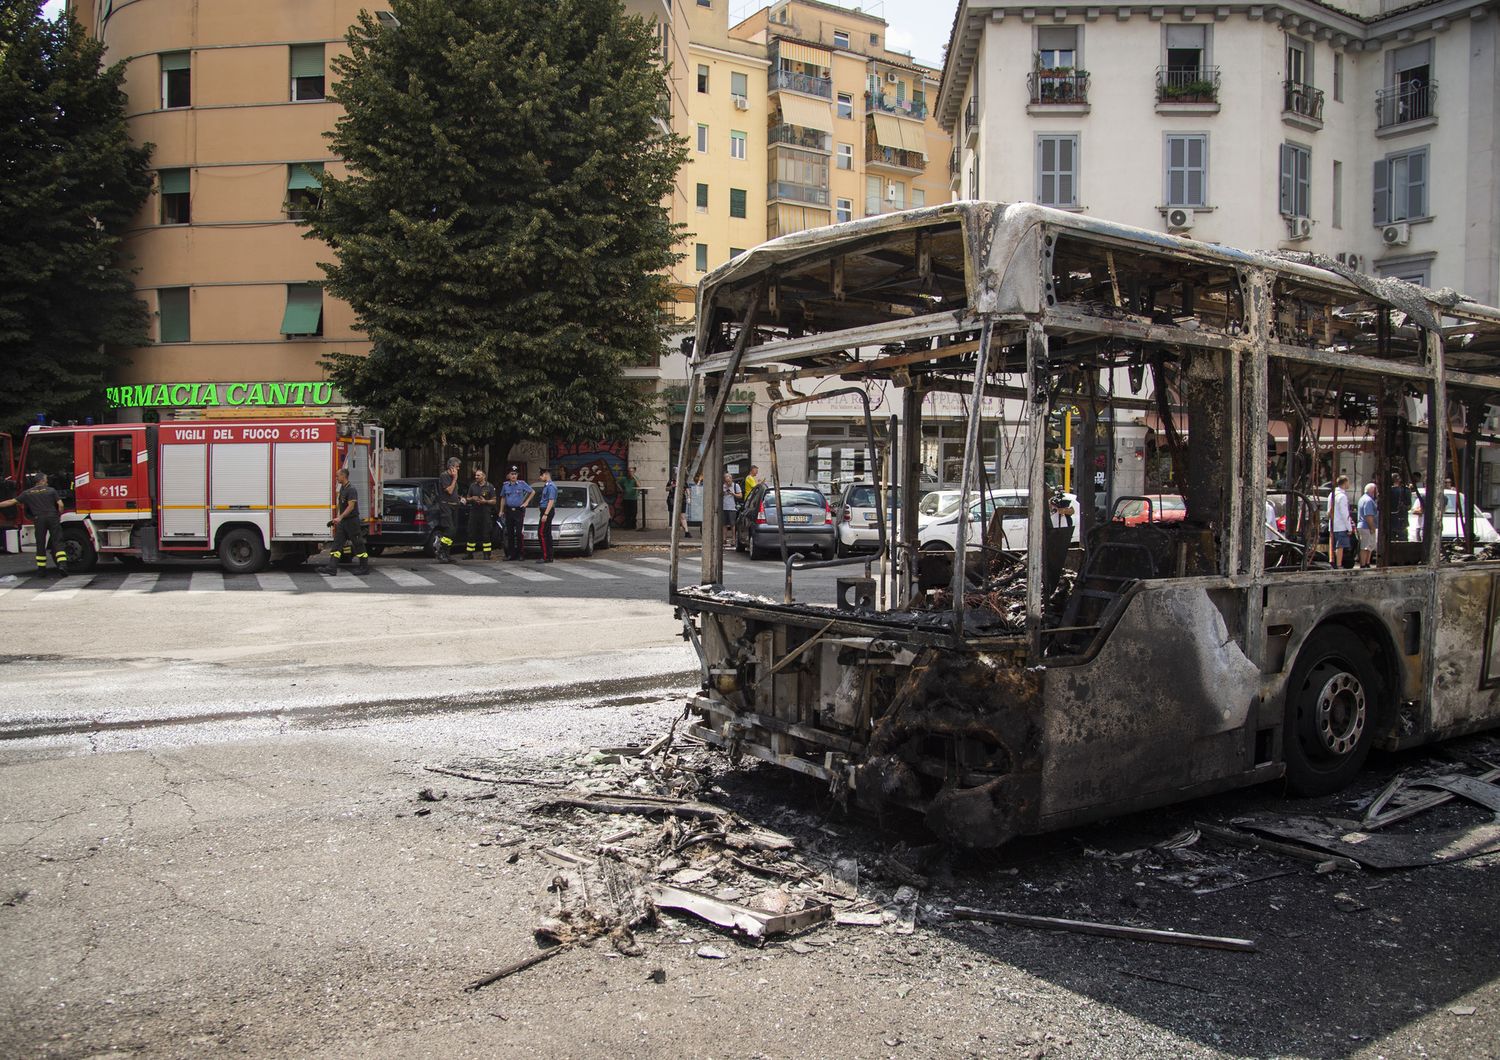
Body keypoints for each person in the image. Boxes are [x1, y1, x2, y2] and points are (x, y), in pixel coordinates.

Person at [0, 473, 66, 576]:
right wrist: (59, 514)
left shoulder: (27, 493)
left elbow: (11, 502)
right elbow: (61, 504)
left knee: (40, 544)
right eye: (46, 480)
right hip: (52, 517)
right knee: (57, 541)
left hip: (39, 519)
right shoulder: (51, 490)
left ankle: (41, 570)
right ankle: (62, 565)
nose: (47, 482)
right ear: (42, 481)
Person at [323, 467, 369, 575]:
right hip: (343, 522)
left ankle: (364, 568)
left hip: (352, 522)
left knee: (358, 544)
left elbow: (351, 507)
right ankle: (332, 567)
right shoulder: (343, 488)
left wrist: (340, 517)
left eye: (338, 475)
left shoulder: (351, 489)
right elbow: (342, 507)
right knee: (337, 544)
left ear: (344, 476)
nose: (336, 477)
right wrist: (337, 519)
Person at [500, 465, 533, 560]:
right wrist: (501, 510)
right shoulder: (505, 485)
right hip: (509, 510)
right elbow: (503, 497)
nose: (514, 476)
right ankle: (511, 554)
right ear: (508, 475)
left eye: (515, 474)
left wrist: (526, 502)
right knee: (509, 532)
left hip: (518, 511)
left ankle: (520, 554)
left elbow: (532, 492)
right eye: (512, 474)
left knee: (518, 533)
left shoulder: (522, 484)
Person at [465, 466, 497, 559]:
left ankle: (486, 554)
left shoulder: (490, 486)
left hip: (485, 512)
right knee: (471, 532)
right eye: (475, 475)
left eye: (478, 475)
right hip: (474, 512)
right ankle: (469, 553)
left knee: (486, 533)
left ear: (484, 476)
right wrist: (472, 498)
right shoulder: (472, 486)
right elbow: (467, 498)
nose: (476, 477)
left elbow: (494, 501)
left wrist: (485, 502)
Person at [1328, 475, 1353, 569]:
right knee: (1340, 546)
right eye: (1348, 482)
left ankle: (1334, 562)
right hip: (1341, 525)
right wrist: (1349, 527)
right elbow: (1344, 513)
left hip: (1333, 524)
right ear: (1345, 483)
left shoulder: (1332, 494)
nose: (1349, 484)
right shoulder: (1342, 496)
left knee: (1335, 546)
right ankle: (1338, 565)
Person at [536, 467, 558, 563]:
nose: (540, 477)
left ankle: (545, 556)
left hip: (547, 511)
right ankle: (549, 556)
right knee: (547, 534)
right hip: (545, 511)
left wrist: (545, 514)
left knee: (542, 533)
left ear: (546, 474)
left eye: (541, 475)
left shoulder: (551, 486)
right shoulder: (546, 485)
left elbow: (551, 501)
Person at [1357, 482, 1379, 567]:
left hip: (1364, 526)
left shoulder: (1363, 498)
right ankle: (1363, 564)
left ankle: (1367, 562)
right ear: (1373, 491)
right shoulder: (1368, 501)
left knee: (1369, 546)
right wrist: (1372, 527)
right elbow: (1368, 515)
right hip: (1366, 526)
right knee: (1365, 546)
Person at [1389, 471, 1411, 543]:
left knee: (1390, 541)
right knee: (1403, 541)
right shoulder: (1406, 490)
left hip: (1390, 520)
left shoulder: (1388, 491)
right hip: (1402, 520)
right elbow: (1408, 506)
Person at [721, 472, 741, 547]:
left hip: (732, 508)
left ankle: (733, 539)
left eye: (729, 481)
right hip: (724, 507)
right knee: (724, 524)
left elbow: (740, 495)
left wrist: (733, 494)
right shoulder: (723, 486)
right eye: (726, 481)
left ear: (731, 479)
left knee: (733, 524)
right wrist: (724, 492)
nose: (728, 483)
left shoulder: (736, 486)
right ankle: (724, 539)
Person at [619, 466, 640, 531]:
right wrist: (621, 489)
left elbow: (639, 485)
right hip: (626, 498)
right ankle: (627, 526)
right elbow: (617, 483)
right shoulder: (624, 479)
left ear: (634, 472)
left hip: (633, 498)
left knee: (634, 513)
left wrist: (634, 477)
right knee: (627, 513)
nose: (630, 473)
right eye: (629, 471)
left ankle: (633, 526)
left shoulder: (635, 478)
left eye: (631, 471)